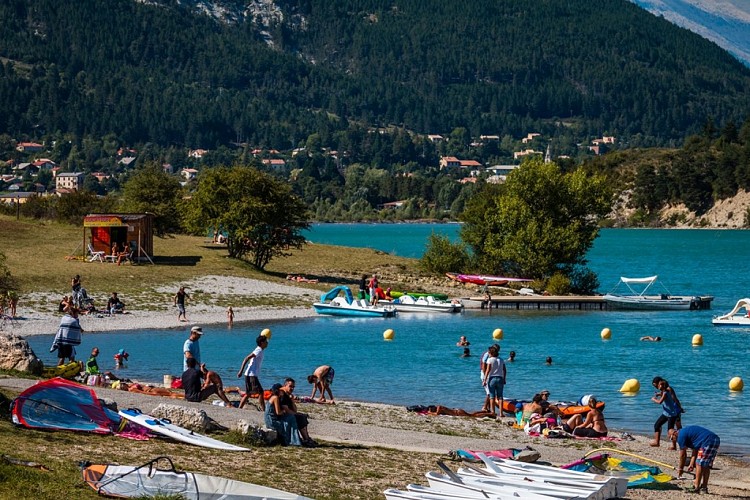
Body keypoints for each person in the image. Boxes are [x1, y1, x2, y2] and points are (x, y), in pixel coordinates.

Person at [670, 425, 720, 494]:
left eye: (671, 439)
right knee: (705, 465)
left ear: (674, 434)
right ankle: (704, 488)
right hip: (715, 439)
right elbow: (695, 449)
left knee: (699, 464)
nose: (673, 441)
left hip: (707, 441)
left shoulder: (680, 436)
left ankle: (696, 487)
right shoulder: (686, 433)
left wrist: (680, 469)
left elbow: (683, 455)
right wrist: (691, 463)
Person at [280, 378, 317, 447]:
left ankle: (307, 438)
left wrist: (292, 400)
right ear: (285, 385)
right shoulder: (282, 395)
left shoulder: (288, 395)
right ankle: (306, 439)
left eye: (293, 387)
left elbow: (294, 410)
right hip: (283, 416)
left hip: (287, 414)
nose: (292, 388)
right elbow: (287, 410)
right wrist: (297, 414)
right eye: (290, 386)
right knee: (300, 418)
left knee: (302, 417)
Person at [237, 335, 269, 410]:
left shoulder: (259, 350)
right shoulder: (259, 350)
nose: (267, 343)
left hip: (249, 374)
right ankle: (264, 410)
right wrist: (240, 371)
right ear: (262, 343)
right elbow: (246, 358)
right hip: (251, 374)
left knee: (248, 393)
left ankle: (239, 408)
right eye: (266, 342)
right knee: (260, 391)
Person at [650, 378, 682, 448]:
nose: (657, 387)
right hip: (666, 413)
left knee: (671, 430)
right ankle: (657, 442)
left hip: (672, 413)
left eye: (657, 385)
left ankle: (679, 443)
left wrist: (654, 399)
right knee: (657, 425)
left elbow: (661, 401)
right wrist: (659, 394)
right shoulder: (664, 391)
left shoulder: (667, 390)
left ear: (660, 384)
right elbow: (666, 397)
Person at [482, 344, 506, 420]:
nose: (488, 353)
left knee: (492, 396)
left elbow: (488, 370)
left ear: (491, 353)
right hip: (500, 378)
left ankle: (493, 412)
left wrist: (485, 380)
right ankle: (501, 413)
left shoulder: (490, 360)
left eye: (489, 352)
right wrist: (504, 378)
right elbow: (504, 370)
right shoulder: (501, 359)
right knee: (500, 397)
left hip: (492, 379)